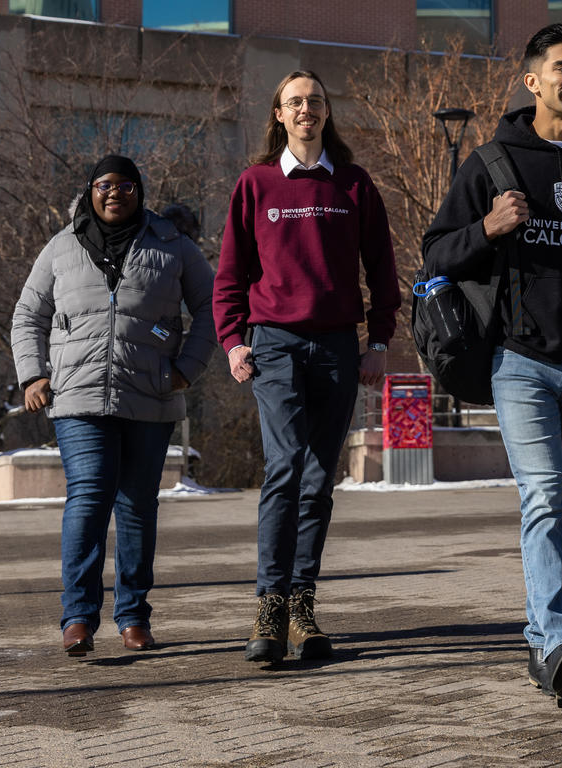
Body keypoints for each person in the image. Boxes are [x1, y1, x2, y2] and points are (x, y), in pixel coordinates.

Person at [422, 23, 562, 708]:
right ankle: (558, 641)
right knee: (546, 496)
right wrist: (487, 228)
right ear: (532, 80)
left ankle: (539, 643)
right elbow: (437, 255)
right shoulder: (493, 162)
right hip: (519, 363)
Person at [214, 70, 400, 664]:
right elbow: (230, 277)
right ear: (278, 114)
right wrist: (234, 343)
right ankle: (268, 606)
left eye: (315, 102)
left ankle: (301, 606)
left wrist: (380, 340)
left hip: (338, 347)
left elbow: (384, 270)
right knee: (285, 466)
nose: (305, 110)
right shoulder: (256, 184)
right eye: (294, 102)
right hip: (274, 345)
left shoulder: (353, 185)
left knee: (320, 478)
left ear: (326, 113)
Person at [11, 154, 218, 657]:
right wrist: (34, 373)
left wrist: (187, 368)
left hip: (151, 394)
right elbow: (27, 313)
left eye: (126, 185)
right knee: (88, 497)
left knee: (136, 506)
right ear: (90, 191)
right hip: (78, 396)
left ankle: (133, 617)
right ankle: (78, 617)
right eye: (105, 184)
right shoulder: (61, 246)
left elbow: (214, 306)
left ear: (139, 192)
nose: (115, 193)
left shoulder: (173, 245)